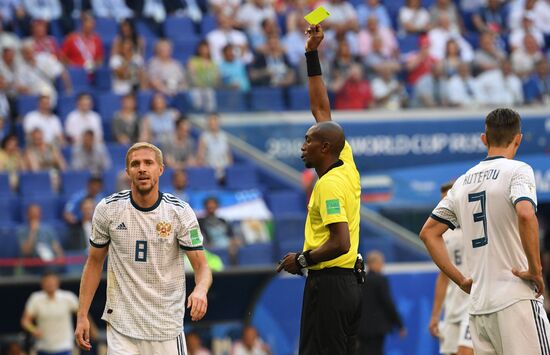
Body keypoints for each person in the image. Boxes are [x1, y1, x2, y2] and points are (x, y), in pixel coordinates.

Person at [420, 108, 550, 354]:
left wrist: (460, 281)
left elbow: (428, 233)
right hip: (515, 297)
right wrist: (535, 270)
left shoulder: (462, 182)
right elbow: (525, 213)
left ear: (484, 139)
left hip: (479, 306)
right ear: (519, 139)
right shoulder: (519, 170)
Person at [75, 142, 212, 354]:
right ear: (128, 171)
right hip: (122, 325)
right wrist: (82, 315)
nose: (142, 169)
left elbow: (202, 266)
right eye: (135, 164)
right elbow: (93, 262)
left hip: (165, 327)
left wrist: (200, 290)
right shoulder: (108, 210)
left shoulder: (180, 213)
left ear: (160, 169)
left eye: (148, 163)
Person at [277, 24, 362, 355]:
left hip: (329, 284)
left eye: (308, 141)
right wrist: (311, 54)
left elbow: (340, 242)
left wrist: (300, 259)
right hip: (350, 283)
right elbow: (322, 112)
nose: (303, 146)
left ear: (324, 148)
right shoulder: (346, 159)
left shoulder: (328, 185)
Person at [428, 182, 473, 355]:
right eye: (442, 202)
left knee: (465, 352)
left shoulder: (476, 226)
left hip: (474, 304)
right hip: (453, 307)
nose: (444, 206)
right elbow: (443, 277)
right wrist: (435, 315)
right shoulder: (441, 235)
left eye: (448, 201)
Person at [20, 271, 81, 355]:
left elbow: (82, 315)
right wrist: (33, 329)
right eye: (47, 282)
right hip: (43, 347)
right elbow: (25, 321)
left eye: (52, 282)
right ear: (42, 284)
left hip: (65, 346)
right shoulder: (35, 299)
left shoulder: (68, 297)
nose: (50, 284)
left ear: (57, 283)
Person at [358, 251, 406, 355]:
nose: (382, 265)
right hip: (377, 328)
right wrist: (399, 324)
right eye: (381, 263)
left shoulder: (360, 279)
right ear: (374, 263)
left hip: (360, 327)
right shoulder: (381, 280)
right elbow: (388, 303)